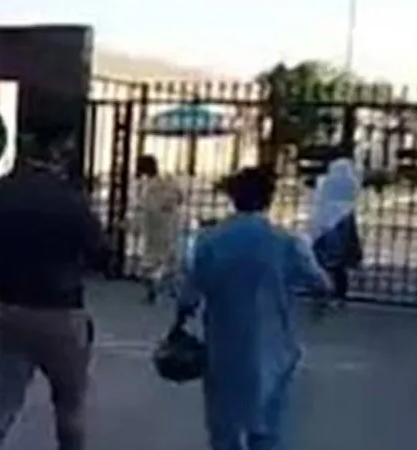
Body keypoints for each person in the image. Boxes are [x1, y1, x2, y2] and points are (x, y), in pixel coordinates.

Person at [0, 126, 109, 450]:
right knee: (70, 407)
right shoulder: (68, 198)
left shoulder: (3, 190)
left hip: (8, 307)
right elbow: (100, 251)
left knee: (3, 403)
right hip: (59, 310)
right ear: (57, 151)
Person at [177, 167, 331, 450]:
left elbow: (191, 291)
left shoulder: (210, 240)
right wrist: (319, 304)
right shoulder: (285, 241)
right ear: (269, 199)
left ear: (233, 198)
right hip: (275, 344)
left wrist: (181, 317)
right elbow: (320, 282)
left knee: (224, 423)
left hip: (224, 344)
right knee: (269, 423)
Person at [304, 157, 362, 314]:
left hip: (324, 226)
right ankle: (339, 295)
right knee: (338, 266)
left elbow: (315, 195)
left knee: (322, 262)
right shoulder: (351, 186)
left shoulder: (325, 183)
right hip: (340, 226)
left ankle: (322, 293)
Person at [130, 154, 185, 304]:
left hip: (155, 227)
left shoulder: (150, 187)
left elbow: (147, 209)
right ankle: (171, 289)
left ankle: (155, 291)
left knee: (151, 261)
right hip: (169, 225)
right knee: (167, 258)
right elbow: (180, 198)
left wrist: (134, 223)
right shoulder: (169, 180)